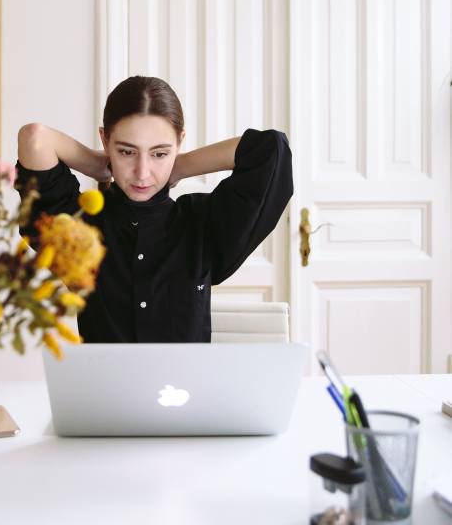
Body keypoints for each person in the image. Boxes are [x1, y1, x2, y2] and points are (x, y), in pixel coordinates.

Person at [15, 75, 292, 343]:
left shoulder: (202, 224)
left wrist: (180, 165)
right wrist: (97, 164)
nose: (142, 173)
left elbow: (271, 150)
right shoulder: (80, 229)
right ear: (105, 140)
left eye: (159, 153)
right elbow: (35, 138)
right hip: (102, 392)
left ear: (179, 142)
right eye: (126, 151)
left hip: (189, 391)